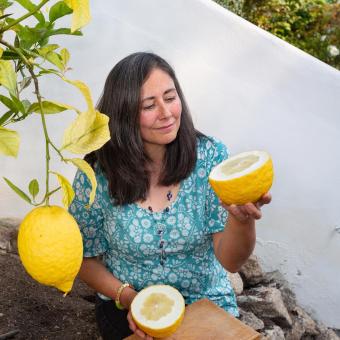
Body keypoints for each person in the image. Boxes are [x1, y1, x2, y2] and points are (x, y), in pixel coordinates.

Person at [69, 52, 271, 340]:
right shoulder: (97, 174)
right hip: (129, 307)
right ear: (124, 115)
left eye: (170, 97)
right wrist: (130, 299)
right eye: (149, 105)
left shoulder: (211, 157)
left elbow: (231, 262)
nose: (166, 112)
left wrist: (242, 220)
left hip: (206, 302)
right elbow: (84, 258)